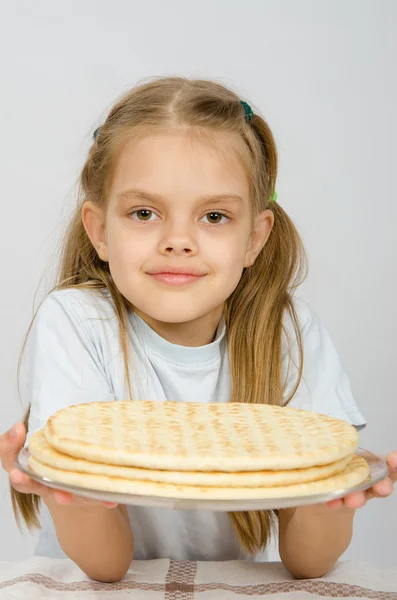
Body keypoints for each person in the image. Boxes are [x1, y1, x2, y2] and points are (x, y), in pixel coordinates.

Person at [0, 77, 395, 583]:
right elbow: (107, 568)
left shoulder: (288, 334)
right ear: (99, 230)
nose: (178, 241)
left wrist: (333, 499)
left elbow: (308, 564)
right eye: (145, 213)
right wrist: (70, 498)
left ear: (255, 237)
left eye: (214, 216)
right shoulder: (77, 324)